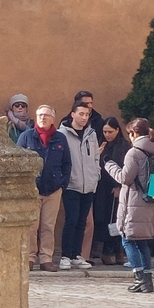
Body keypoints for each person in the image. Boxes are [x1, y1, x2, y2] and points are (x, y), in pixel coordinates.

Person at [104, 118, 154, 293]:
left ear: (134, 133)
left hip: (134, 203)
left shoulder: (134, 153)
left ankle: (139, 278)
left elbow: (125, 178)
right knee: (142, 242)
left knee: (127, 239)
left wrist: (109, 164)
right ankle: (148, 280)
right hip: (150, 201)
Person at [17, 105, 71, 272]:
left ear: (53, 119)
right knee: (31, 226)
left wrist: (62, 183)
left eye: (46, 115)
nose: (43, 118)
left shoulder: (60, 138)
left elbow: (67, 163)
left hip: (53, 190)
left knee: (48, 226)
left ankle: (46, 259)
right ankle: (29, 258)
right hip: (32, 189)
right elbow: (17, 161)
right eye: (40, 115)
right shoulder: (26, 137)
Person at [57, 101, 100, 270]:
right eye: (81, 114)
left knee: (82, 221)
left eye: (87, 114)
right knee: (71, 219)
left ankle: (76, 254)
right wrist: (65, 178)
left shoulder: (91, 133)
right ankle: (65, 255)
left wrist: (96, 175)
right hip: (71, 184)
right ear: (72, 114)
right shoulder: (63, 133)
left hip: (89, 184)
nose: (84, 117)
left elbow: (96, 157)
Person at [93, 117, 131, 265]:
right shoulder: (101, 144)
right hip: (102, 187)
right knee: (104, 219)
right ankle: (106, 251)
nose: (107, 135)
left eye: (110, 132)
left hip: (117, 187)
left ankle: (117, 250)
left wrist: (118, 186)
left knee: (117, 218)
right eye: (105, 132)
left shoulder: (124, 146)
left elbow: (125, 168)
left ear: (117, 130)